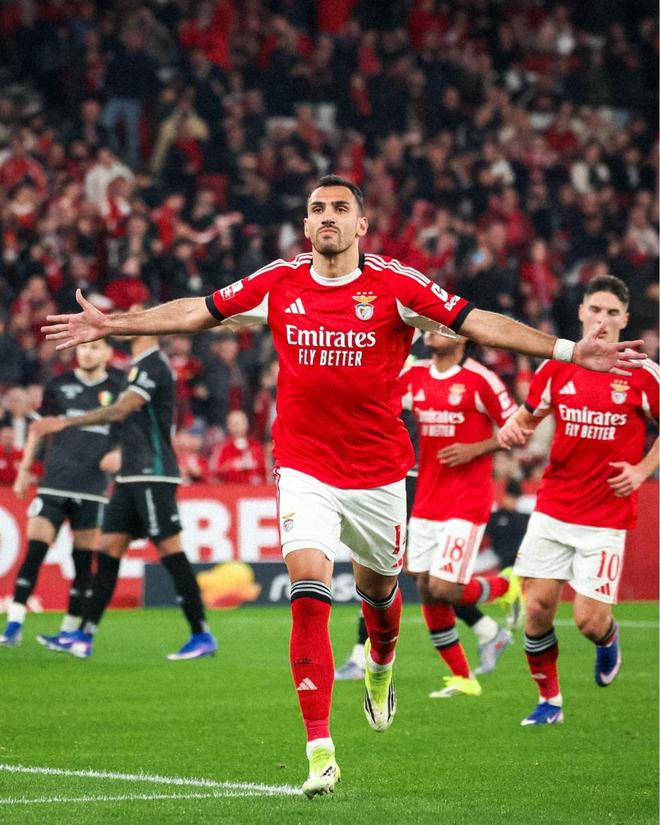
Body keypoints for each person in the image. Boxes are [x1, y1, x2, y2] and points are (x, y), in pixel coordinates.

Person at [40, 176, 644, 797]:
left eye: (340, 208)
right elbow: (197, 311)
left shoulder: (396, 285)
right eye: (317, 209)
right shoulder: (279, 281)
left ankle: (381, 665)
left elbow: (477, 321)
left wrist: (567, 350)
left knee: (380, 597)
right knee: (308, 592)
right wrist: (115, 325)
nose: (327, 217)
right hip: (304, 467)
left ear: (361, 225)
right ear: (306, 226)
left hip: (379, 474)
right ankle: (320, 749)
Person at [498, 275, 659, 726]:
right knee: (536, 610)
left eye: (612, 313)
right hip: (553, 507)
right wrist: (513, 427)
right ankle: (550, 702)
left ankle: (607, 638)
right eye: (596, 310)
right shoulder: (556, 367)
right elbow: (528, 417)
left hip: (605, 517)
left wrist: (642, 470)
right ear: (581, 313)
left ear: (625, 320)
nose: (603, 320)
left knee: (589, 620)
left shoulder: (643, 374)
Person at [31, 325, 217, 662]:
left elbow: (120, 410)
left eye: (134, 317)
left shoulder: (153, 365)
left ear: (149, 328)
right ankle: (83, 636)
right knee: (109, 548)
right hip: (129, 475)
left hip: (152, 473)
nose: (125, 322)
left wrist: (66, 422)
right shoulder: (135, 367)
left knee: (169, 549)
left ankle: (201, 634)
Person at [402, 331, 520, 698]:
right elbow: (378, 403)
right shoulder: (415, 375)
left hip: (466, 500)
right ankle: (463, 677)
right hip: (427, 496)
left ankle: (507, 586)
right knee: (424, 584)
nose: (432, 331)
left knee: (444, 587)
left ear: (464, 338)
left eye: (442, 326)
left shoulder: (481, 380)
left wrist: (476, 448)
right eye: (429, 326)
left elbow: (519, 428)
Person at [0, 340, 123, 647]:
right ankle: (13, 626)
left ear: (108, 353)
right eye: (83, 348)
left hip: (93, 488)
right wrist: (24, 470)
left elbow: (131, 431)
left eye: (95, 348)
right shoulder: (59, 384)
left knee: (82, 560)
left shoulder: (119, 387)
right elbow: (39, 428)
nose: (87, 352)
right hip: (54, 483)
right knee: (35, 551)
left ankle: (68, 629)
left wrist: (120, 452)